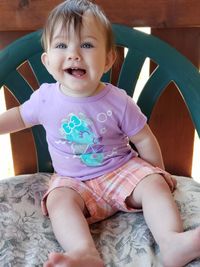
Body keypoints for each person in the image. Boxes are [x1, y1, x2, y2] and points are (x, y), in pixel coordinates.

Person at [1, 0, 200, 266]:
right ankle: (84, 252)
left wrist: (156, 175)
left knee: (152, 184)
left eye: (86, 45)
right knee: (59, 200)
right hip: (73, 181)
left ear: (107, 60)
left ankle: (171, 241)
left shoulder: (118, 101)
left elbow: (143, 138)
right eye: (62, 45)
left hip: (121, 170)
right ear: (48, 61)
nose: (74, 54)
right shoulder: (44, 100)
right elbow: (17, 117)